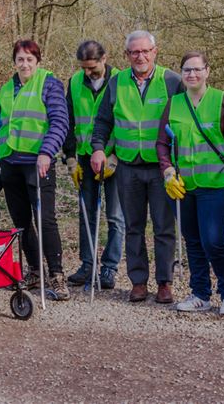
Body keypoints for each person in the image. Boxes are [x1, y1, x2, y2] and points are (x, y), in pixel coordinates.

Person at [90, 30, 183, 304]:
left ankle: (164, 283)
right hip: (127, 166)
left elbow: (183, 121)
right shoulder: (117, 83)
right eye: (134, 52)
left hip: (160, 167)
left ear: (155, 52)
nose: (140, 56)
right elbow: (103, 121)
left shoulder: (171, 81)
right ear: (127, 55)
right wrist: (98, 148)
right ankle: (138, 281)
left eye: (145, 51)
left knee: (164, 227)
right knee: (133, 226)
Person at [156, 51, 224, 316]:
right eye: (186, 70)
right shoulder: (173, 104)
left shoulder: (223, 101)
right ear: (181, 74)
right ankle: (200, 294)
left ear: (207, 70)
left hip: (216, 184)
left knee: (214, 240)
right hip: (183, 187)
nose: (192, 74)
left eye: (197, 69)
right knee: (193, 241)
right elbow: (162, 143)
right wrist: (168, 170)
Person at [0, 40, 70, 301]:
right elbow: (1, 125)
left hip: (38, 163)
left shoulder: (49, 84)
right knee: (21, 222)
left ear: (38, 61)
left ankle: (57, 275)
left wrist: (46, 152)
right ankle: (34, 270)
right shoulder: (6, 89)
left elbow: (60, 122)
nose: (25, 64)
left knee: (46, 220)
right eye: (20, 59)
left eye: (30, 59)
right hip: (10, 162)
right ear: (14, 62)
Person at [62, 40, 126, 289]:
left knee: (115, 217)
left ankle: (109, 268)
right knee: (86, 214)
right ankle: (87, 265)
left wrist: (116, 155)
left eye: (92, 67)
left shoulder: (121, 80)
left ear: (104, 59)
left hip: (114, 159)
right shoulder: (76, 81)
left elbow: (128, 122)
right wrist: (69, 156)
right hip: (85, 156)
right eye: (84, 68)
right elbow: (67, 120)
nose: (88, 73)